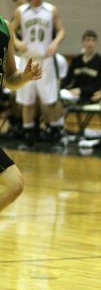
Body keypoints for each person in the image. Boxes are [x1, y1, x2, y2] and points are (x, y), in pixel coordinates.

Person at [11, 0, 65, 147]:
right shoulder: (21, 11)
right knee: (26, 101)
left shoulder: (51, 10)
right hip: (27, 60)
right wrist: (16, 42)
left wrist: (55, 43)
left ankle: (55, 134)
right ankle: (28, 136)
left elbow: (61, 30)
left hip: (45, 60)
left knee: (50, 100)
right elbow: (10, 28)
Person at [0, 14, 42, 212]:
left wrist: (24, 77)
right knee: (13, 183)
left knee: (14, 184)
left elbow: (9, 78)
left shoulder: (5, 27)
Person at [61, 30, 101, 104]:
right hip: (74, 94)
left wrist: (81, 90)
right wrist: (62, 88)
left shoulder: (100, 61)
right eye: (88, 40)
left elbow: (98, 84)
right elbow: (68, 79)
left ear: (96, 43)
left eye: (93, 41)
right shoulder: (76, 60)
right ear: (83, 42)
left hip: (90, 95)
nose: (90, 43)